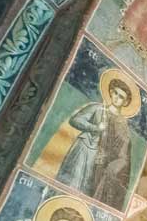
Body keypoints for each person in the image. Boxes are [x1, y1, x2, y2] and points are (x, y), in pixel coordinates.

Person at [57, 74, 137, 208]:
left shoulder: (123, 125)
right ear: (111, 93)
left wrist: (114, 165)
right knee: (72, 184)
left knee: (87, 193)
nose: (117, 98)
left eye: (121, 97)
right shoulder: (97, 108)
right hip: (84, 150)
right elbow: (75, 120)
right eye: (115, 93)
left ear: (125, 102)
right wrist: (95, 128)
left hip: (100, 162)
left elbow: (123, 150)